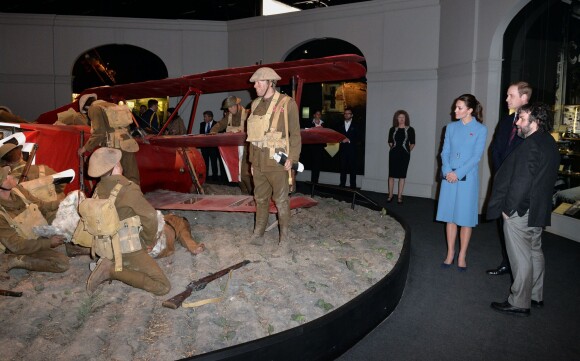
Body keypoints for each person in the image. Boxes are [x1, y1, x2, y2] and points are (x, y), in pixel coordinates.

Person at [487, 103, 560, 316]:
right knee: (535, 251)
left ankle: (519, 301)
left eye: (521, 119)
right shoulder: (549, 142)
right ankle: (535, 295)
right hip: (539, 208)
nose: (517, 122)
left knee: (521, 256)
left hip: (521, 210)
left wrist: (509, 209)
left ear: (534, 123)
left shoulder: (530, 145)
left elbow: (522, 181)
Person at [82, 147, 171, 295]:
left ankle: (111, 263)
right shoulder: (128, 188)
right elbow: (149, 216)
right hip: (127, 248)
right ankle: (110, 271)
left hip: (105, 246)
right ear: (117, 166)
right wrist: (149, 242)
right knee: (163, 286)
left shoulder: (99, 188)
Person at [246, 67, 301, 249]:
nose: (255, 86)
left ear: (271, 83)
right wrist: (252, 161)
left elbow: (295, 135)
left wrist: (292, 159)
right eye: (255, 82)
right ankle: (258, 233)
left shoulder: (287, 103)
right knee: (260, 199)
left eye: (259, 82)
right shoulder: (254, 105)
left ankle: (284, 240)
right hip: (259, 162)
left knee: (281, 200)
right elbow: (253, 138)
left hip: (278, 162)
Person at [436, 94, 487, 271]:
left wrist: (457, 174)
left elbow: (476, 157)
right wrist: (447, 171)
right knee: (450, 216)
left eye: (459, 108)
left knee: (465, 219)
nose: (455, 111)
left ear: (470, 110)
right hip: (449, 177)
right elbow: (444, 152)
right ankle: (450, 253)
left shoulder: (480, 129)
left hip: (467, 179)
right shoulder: (450, 127)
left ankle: (462, 255)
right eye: (455, 107)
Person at [486, 81, 530, 276]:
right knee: (502, 226)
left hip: (518, 184)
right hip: (502, 180)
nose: (506, 99)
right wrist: (500, 172)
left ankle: (519, 270)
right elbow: (494, 148)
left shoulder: (533, 123)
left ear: (524, 98)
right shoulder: (506, 121)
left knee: (517, 230)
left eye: (510, 95)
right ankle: (506, 261)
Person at [0, 166, 69, 279]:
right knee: (61, 263)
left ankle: (72, 247)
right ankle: (16, 260)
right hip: (25, 245)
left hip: (39, 229)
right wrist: (48, 243)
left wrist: (63, 202)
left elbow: (41, 206)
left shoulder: (17, 190)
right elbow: (17, 245)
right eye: (6, 177)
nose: (11, 176)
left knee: (68, 214)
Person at [77, 94, 141, 185]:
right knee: (132, 175)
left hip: (113, 144)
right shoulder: (113, 105)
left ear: (86, 107)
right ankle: (134, 195)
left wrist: (84, 148)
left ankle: (112, 197)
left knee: (110, 176)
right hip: (127, 142)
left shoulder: (94, 108)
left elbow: (99, 132)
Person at [210, 96, 253, 194]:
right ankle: (245, 192)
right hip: (233, 149)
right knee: (236, 174)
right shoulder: (228, 116)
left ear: (237, 105)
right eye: (228, 108)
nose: (230, 109)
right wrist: (213, 131)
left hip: (247, 149)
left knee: (245, 174)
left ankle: (253, 193)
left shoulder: (247, 114)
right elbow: (220, 124)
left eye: (232, 106)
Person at [0, 142, 66, 198]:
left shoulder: (6, 182)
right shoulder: (44, 169)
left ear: (4, 163)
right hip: (52, 209)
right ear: (21, 155)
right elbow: (62, 184)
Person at [387, 110, 415, 203]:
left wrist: (407, 151)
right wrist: (393, 148)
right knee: (391, 175)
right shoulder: (392, 129)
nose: (401, 119)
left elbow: (412, 143)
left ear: (406, 118)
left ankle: (399, 197)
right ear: (396, 118)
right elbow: (390, 141)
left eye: (403, 117)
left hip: (404, 155)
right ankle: (390, 195)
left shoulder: (410, 129)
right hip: (394, 154)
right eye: (400, 117)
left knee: (402, 176)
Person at [337, 108, 359, 189]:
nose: (346, 115)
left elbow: (360, 137)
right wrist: (341, 140)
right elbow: (336, 136)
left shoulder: (356, 125)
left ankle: (353, 186)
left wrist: (349, 140)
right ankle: (342, 185)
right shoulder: (339, 124)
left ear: (351, 115)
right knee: (342, 168)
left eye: (348, 113)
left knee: (353, 169)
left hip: (352, 150)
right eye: (345, 113)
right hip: (342, 150)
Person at [199, 110, 221, 182]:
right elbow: (201, 135)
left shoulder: (217, 124)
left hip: (213, 148)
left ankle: (215, 178)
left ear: (210, 117)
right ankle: (206, 178)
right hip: (204, 148)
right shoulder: (202, 124)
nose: (204, 118)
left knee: (214, 163)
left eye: (205, 117)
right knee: (205, 163)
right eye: (204, 117)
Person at [307, 110, 325, 184]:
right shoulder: (310, 123)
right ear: (314, 115)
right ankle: (312, 182)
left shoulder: (323, 124)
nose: (318, 115)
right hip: (312, 147)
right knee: (313, 165)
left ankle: (316, 182)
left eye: (319, 114)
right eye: (317, 114)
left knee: (318, 165)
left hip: (320, 147)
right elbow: (307, 134)